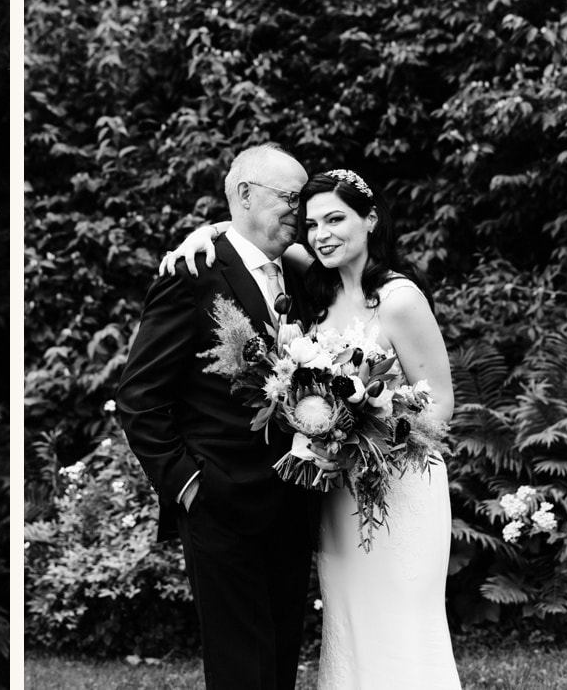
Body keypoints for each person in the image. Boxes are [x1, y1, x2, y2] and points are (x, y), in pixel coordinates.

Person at [160, 167, 461, 688]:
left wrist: (365, 439)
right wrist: (201, 234)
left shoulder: (399, 299)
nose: (321, 234)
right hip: (337, 494)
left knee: (402, 624)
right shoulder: (309, 279)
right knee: (351, 623)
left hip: (398, 485)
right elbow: (239, 232)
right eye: (312, 221)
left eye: (336, 219)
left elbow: (441, 403)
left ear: (371, 220)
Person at [114, 143, 318, 690]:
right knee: (239, 670)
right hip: (220, 505)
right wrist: (188, 486)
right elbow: (138, 397)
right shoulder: (193, 273)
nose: (299, 211)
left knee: (277, 662)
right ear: (246, 195)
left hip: (293, 502)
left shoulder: (298, 276)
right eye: (290, 198)